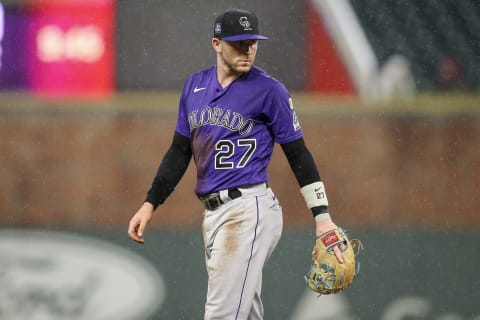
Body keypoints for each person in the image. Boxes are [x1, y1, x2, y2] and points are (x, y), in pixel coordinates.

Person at [128, 8, 345, 320]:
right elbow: (179, 150)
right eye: (238, 43)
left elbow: (298, 154)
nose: (247, 50)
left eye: (252, 42)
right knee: (245, 312)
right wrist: (150, 203)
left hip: (249, 209)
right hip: (214, 214)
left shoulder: (270, 91)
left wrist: (322, 216)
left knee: (221, 314)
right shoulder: (194, 86)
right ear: (217, 44)